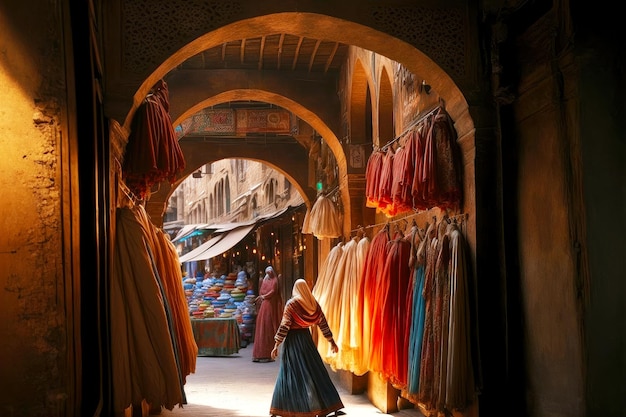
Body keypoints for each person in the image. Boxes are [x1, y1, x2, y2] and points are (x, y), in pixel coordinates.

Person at [269, 279, 345, 417]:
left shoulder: (292, 304)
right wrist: (331, 341)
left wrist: (276, 345)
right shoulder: (313, 304)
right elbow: (323, 324)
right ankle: (329, 405)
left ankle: (284, 408)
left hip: (293, 341)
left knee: (290, 374)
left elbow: (285, 326)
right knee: (315, 371)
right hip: (306, 339)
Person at [252, 265, 283, 362]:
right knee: (264, 326)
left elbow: (273, 291)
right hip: (266, 305)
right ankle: (262, 352)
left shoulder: (274, 281)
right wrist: (263, 296)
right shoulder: (266, 280)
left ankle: (267, 352)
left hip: (269, 304)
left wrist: (263, 296)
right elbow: (263, 291)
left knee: (267, 325)